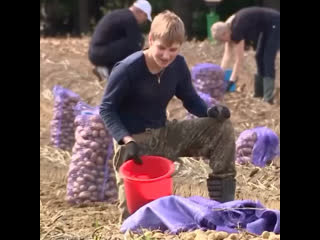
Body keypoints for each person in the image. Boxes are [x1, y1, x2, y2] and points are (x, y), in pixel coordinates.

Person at [99, 10, 236, 223]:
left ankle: (222, 208)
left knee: (221, 128)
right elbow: (106, 108)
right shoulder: (128, 69)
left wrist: (210, 112)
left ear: (180, 46)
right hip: (135, 145)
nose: (166, 55)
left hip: (165, 135)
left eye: (173, 50)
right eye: (161, 48)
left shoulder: (178, 65)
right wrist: (126, 140)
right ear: (151, 39)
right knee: (137, 221)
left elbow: (190, 98)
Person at [211, 7, 280, 104]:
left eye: (222, 40)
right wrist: (219, 76)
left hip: (275, 22)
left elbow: (239, 59)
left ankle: (268, 97)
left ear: (225, 34)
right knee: (259, 56)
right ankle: (259, 93)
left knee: (267, 58)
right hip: (266, 27)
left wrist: (231, 81)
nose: (223, 42)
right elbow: (227, 56)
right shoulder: (227, 27)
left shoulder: (236, 30)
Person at [88, 0, 152, 82]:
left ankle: (105, 69)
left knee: (134, 43)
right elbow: (135, 45)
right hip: (100, 53)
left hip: (96, 52)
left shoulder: (121, 14)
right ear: (141, 13)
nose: (144, 21)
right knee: (136, 43)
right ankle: (109, 72)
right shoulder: (130, 19)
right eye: (145, 17)